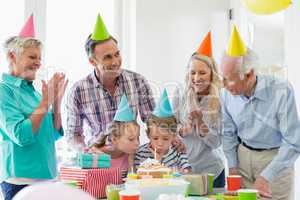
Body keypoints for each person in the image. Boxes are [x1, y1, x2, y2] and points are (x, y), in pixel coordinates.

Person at [220, 25, 300, 199]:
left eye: (229, 80)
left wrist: (267, 176)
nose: (223, 85)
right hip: (242, 158)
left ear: (249, 75)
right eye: (222, 78)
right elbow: (228, 133)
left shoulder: (281, 90)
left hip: (274, 161)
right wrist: (232, 168)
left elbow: (293, 142)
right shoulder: (225, 94)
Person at [0, 15, 68, 200]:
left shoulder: (35, 93)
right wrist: (46, 102)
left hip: (47, 178)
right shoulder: (4, 91)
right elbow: (21, 135)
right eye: (32, 56)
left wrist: (56, 102)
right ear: (12, 56)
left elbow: (52, 135)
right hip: (21, 182)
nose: (38, 62)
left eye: (39, 57)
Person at [66, 14, 155, 150]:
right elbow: (74, 135)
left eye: (117, 54)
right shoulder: (78, 91)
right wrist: (85, 151)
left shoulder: (138, 82)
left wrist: (169, 137)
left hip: (130, 159)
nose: (115, 62)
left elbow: (152, 121)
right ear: (92, 61)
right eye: (107, 57)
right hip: (98, 161)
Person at [172, 32, 225, 187]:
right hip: (183, 168)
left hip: (211, 171)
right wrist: (183, 129)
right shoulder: (180, 92)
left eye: (202, 73)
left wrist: (201, 124)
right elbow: (169, 128)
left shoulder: (220, 99)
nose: (196, 78)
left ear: (211, 75)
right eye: (193, 73)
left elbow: (217, 143)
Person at [135, 89, 192, 173]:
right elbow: (138, 175)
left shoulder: (178, 152)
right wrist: (157, 162)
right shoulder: (140, 153)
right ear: (148, 135)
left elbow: (188, 172)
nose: (160, 143)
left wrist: (182, 171)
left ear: (173, 136)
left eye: (165, 139)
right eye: (155, 138)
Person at [92, 95, 140, 179]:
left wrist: (130, 161)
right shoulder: (95, 155)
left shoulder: (131, 156)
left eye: (138, 138)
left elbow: (131, 184)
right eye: (131, 139)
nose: (137, 143)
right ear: (114, 139)